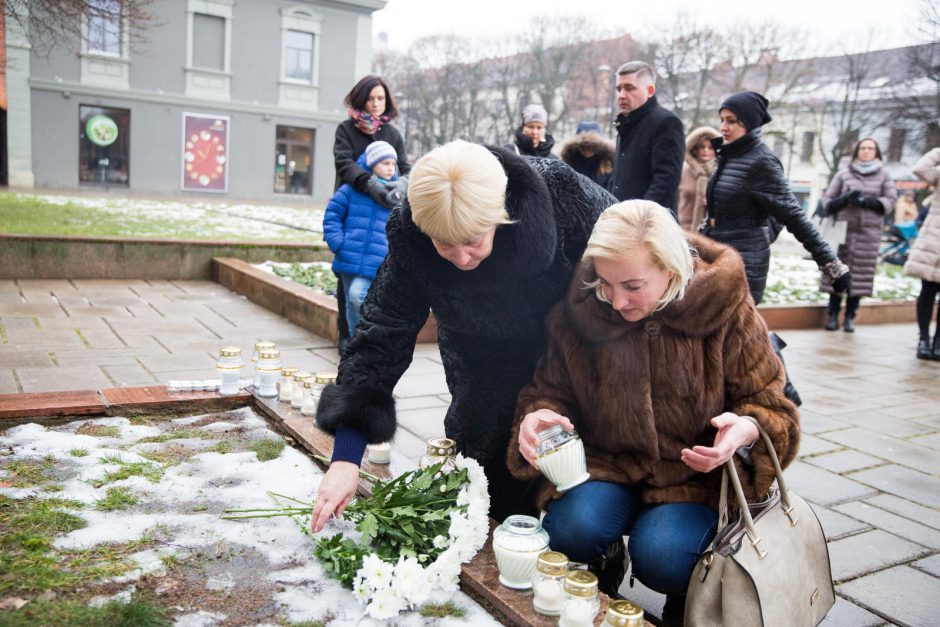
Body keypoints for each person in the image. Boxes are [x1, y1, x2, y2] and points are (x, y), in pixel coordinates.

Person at [507, 200, 799, 623]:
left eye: (632, 286)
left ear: (673, 270)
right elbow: (550, 391)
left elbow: (772, 407)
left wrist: (746, 429)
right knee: (569, 530)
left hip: (692, 478)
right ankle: (603, 563)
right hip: (609, 465)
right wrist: (537, 416)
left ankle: (690, 597)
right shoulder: (581, 313)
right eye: (605, 283)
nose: (615, 300)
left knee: (663, 555)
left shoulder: (726, 308)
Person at [311, 140, 616, 531]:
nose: (461, 260)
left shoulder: (558, 191)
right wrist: (346, 457)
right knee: (490, 497)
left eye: (473, 241)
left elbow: (642, 243)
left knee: (580, 508)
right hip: (481, 364)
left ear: (501, 213)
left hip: (575, 358)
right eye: (444, 245)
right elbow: (380, 334)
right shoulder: (411, 234)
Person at [702, 91, 851, 305]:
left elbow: (792, 214)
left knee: (733, 333)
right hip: (717, 254)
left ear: (749, 123)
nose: (723, 127)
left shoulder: (761, 162)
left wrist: (830, 264)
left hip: (743, 261)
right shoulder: (730, 156)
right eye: (722, 120)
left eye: (732, 121)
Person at [332, 75, 412, 349]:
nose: (376, 104)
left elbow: (405, 167)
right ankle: (346, 334)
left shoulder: (392, 134)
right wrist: (369, 184)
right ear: (361, 99)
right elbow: (344, 163)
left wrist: (400, 186)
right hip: (352, 210)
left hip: (381, 217)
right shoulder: (346, 129)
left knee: (374, 278)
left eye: (381, 98)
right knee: (347, 278)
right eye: (371, 98)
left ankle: (367, 330)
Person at [322, 141, 403, 337]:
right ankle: (354, 342)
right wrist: (338, 242)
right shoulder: (352, 189)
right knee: (350, 304)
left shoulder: (397, 195)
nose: (390, 168)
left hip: (377, 259)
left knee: (357, 295)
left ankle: (368, 338)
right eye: (385, 163)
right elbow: (332, 214)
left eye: (393, 164)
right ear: (371, 163)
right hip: (348, 255)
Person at [818, 138, 897, 332]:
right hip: (842, 232)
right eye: (863, 148)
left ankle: (850, 317)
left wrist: (868, 202)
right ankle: (833, 315)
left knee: (860, 276)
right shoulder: (844, 173)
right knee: (836, 273)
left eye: (871, 148)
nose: (866, 151)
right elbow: (827, 200)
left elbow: (891, 200)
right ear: (856, 151)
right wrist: (844, 200)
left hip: (868, 233)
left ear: (876, 152)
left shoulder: (884, 175)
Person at [607, 61, 685, 217]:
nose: (622, 95)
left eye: (629, 88)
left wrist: (638, 218)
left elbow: (665, 182)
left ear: (650, 90)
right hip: (622, 222)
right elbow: (617, 180)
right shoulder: (625, 124)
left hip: (649, 227)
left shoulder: (666, 123)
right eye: (618, 89)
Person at [904, 147, 940, 360]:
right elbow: (920, 168)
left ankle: (938, 342)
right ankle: (923, 338)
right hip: (934, 239)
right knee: (927, 289)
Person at [677, 126, 721, 232]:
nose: (706, 150)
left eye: (710, 147)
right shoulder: (682, 170)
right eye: (702, 147)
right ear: (695, 149)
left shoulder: (722, 171)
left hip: (713, 233)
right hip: (684, 231)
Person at [560, 121, 615, 189]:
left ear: (600, 147)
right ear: (576, 147)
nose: (587, 151)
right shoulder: (570, 162)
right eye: (583, 147)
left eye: (592, 148)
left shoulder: (607, 163)